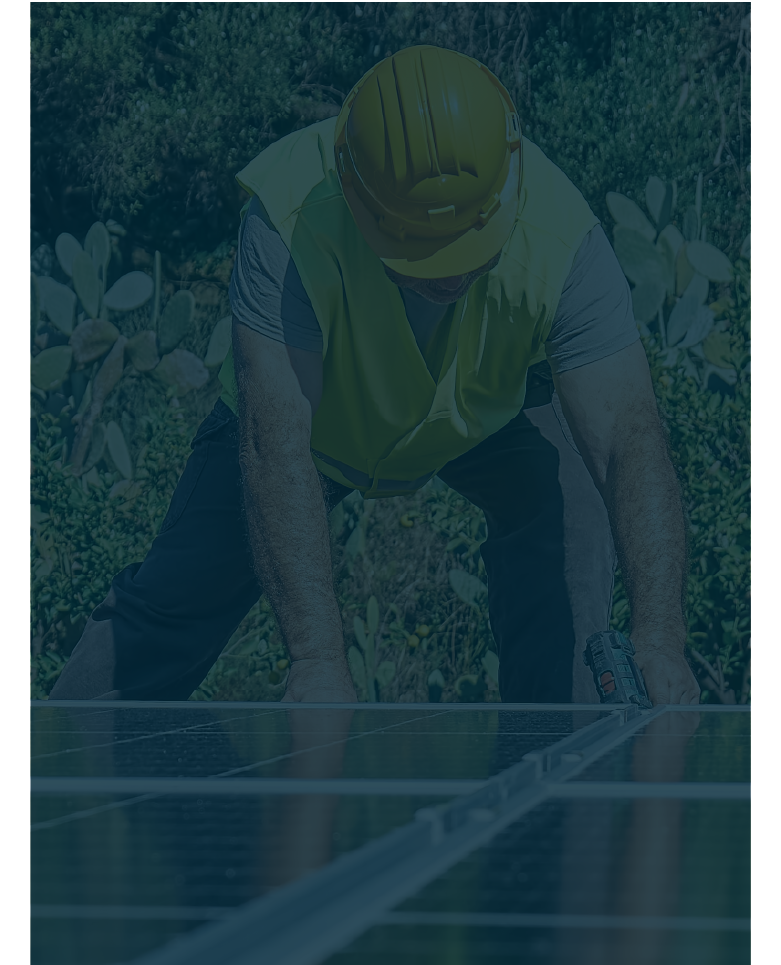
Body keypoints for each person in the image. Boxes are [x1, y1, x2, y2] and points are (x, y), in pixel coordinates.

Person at [49, 46, 700, 707]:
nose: (447, 272)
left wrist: (658, 636)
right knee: (169, 605)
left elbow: (627, 438)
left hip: (482, 415)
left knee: (567, 516)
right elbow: (276, 445)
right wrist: (317, 659)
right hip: (310, 423)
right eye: (418, 251)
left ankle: (559, 768)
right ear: (355, 195)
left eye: (469, 248)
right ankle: (48, 777)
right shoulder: (288, 216)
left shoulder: (564, 237)